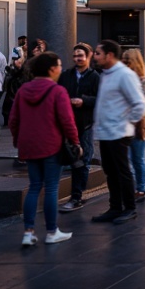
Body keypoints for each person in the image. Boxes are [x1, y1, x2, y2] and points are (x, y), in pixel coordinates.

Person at [8, 51, 78, 247]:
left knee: (34, 186)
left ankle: (28, 232)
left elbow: (13, 120)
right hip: (51, 144)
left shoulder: (23, 90)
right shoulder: (58, 91)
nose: (61, 69)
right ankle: (51, 231)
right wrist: (75, 142)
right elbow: (67, 121)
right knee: (52, 187)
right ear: (51, 69)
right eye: (58, 65)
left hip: (28, 145)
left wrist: (17, 140)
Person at [91, 40, 145, 225]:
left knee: (122, 172)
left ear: (109, 55)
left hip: (119, 133)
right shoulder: (106, 74)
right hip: (106, 133)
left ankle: (129, 208)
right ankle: (115, 207)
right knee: (111, 172)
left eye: (98, 53)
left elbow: (139, 104)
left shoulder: (124, 75)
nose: (95, 56)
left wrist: (125, 122)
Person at [57, 42, 99, 213]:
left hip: (85, 124)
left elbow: (100, 98)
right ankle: (72, 195)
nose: (77, 59)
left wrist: (84, 101)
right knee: (68, 158)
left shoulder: (94, 76)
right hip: (67, 123)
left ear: (88, 56)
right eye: (75, 56)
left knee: (83, 160)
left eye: (80, 55)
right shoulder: (66, 75)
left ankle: (77, 195)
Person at [122, 49, 145, 203]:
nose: (124, 64)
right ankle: (134, 188)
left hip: (140, 126)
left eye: (127, 61)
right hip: (125, 125)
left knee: (136, 158)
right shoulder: (126, 79)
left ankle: (140, 188)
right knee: (129, 159)